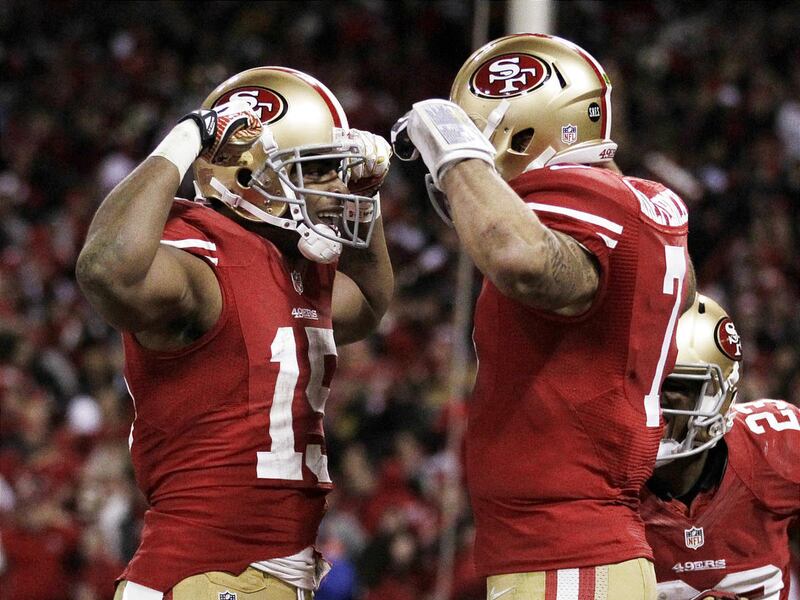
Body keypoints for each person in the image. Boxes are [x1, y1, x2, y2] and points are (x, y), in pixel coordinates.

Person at [392, 33, 696, 599]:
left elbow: (522, 260)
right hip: (575, 549)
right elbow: (672, 295)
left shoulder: (581, 193)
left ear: (519, 127)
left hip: (569, 553)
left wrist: (461, 155)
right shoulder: (644, 204)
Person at [75, 66, 394, 600]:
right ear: (246, 174)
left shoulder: (293, 263)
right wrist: (186, 138)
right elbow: (106, 268)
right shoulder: (203, 260)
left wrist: (371, 200)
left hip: (263, 573)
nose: (337, 188)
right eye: (317, 169)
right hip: (203, 571)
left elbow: (366, 308)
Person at [641, 294, 800, 600]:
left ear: (719, 397)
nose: (652, 401)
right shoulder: (600, 476)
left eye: (674, 386)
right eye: (643, 382)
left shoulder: (775, 448)